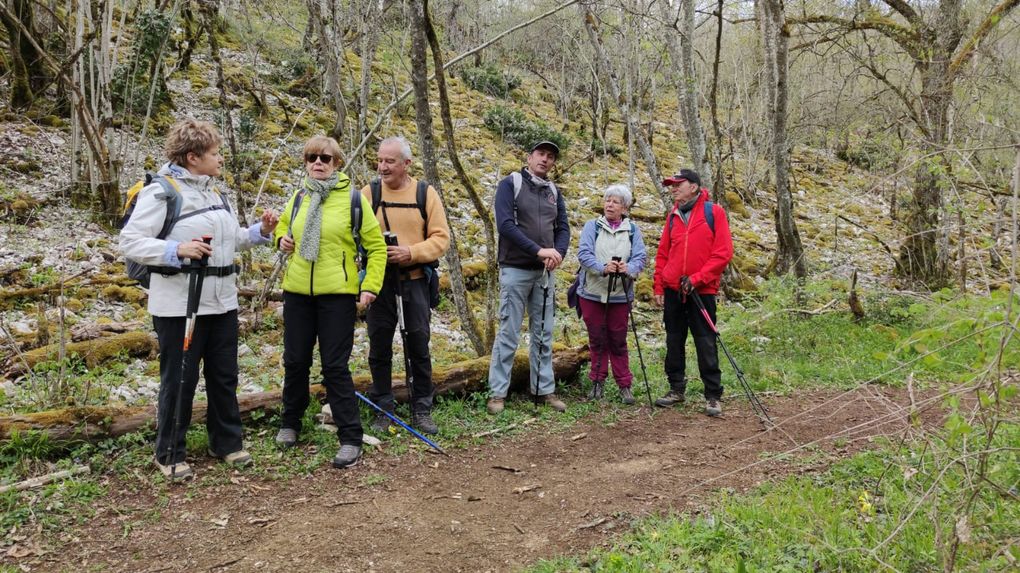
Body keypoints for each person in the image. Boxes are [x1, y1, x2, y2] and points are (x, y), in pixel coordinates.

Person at [119, 118, 279, 481]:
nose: (220, 159)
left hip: (222, 302)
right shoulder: (162, 192)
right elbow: (130, 241)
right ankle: (169, 452)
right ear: (193, 157)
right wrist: (177, 249)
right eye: (214, 153)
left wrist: (260, 232)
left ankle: (226, 442)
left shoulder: (213, 192)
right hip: (179, 304)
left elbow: (229, 239)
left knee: (224, 375)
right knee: (180, 378)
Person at [273, 135, 386, 469]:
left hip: (337, 295)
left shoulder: (353, 200)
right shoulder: (298, 197)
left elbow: (376, 247)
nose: (317, 163)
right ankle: (290, 422)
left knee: (335, 367)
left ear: (337, 162)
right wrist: (281, 238)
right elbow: (282, 227)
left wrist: (370, 286)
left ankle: (350, 437)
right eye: (311, 158)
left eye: (324, 158)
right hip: (296, 293)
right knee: (295, 361)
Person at [363, 136, 450, 435]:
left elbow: (441, 238)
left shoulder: (425, 193)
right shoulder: (368, 193)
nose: (382, 167)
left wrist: (410, 252)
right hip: (378, 283)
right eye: (380, 160)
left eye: (390, 161)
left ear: (406, 164)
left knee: (418, 346)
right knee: (379, 347)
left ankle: (422, 407)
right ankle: (383, 407)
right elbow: (351, 234)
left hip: (414, 282)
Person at [486, 140, 570, 415]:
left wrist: (557, 253)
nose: (545, 159)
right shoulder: (510, 184)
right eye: (541, 154)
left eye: (550, 156)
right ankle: (498, 392)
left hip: (545, 272)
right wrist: (538, 250)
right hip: (515, 269)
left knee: (543, 333)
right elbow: (505, 225)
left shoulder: (553, 191)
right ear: (530, 156)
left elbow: (563, 227)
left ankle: (543, 389)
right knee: (509, 332)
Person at [652, 169, 733, 416]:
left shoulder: (714, 213)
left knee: (705, 341)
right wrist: (658, 285)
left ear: (695, 187)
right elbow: (663, 253)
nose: (673, 188)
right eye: (671, 185)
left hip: (702, 291)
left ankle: (712, 395)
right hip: (674, 290)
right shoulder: (673, 217)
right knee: (673, 340)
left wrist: (698, 279)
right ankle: (676, 389)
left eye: (679, 184)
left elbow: (723, 252)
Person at [575, 184, 647, 404]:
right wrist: (602, 267)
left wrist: (630, 269)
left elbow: (641, 257)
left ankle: (624, 384)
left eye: (615, 202)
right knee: (597, 339)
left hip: (619, 295)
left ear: (624, 208)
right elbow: (583, 254)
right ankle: (597, 382)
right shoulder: (592, 226)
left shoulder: (632, 230)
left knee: (617, 340)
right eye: (607, 200)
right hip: (592, 293)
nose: (609, 204)